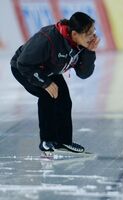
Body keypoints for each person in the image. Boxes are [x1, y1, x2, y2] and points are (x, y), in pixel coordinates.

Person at [11, 12, 100, 155]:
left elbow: (83, 74)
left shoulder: (81, 43)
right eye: (89, 33)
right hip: (24, 68)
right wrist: (45, 83)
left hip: (49, 70)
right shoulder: (47, 38)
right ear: (75, 34)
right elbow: (23, 63)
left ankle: (63, 142)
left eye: (93, 31)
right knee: (48, 96)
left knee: (64, 100)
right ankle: (47, 141)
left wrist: (90, 53)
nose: (93, 36)